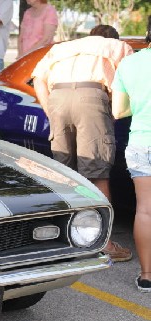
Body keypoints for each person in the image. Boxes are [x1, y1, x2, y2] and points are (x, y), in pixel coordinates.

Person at [32, 25, 133, 262]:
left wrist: (50, 111)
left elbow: (38, 80)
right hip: (91, 97)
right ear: (111, 37)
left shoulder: (62, 47)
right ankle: (103, 243)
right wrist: (113, 113)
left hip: (57, 97)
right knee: (97, 172)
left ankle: (56, 238)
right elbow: (127, 83)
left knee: (63, 173)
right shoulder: (118, 46)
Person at [111, 17, 151, 291]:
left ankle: (147, 275)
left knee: (145, 210)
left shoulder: (129, 63)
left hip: (141, 142)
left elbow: (118, 111)